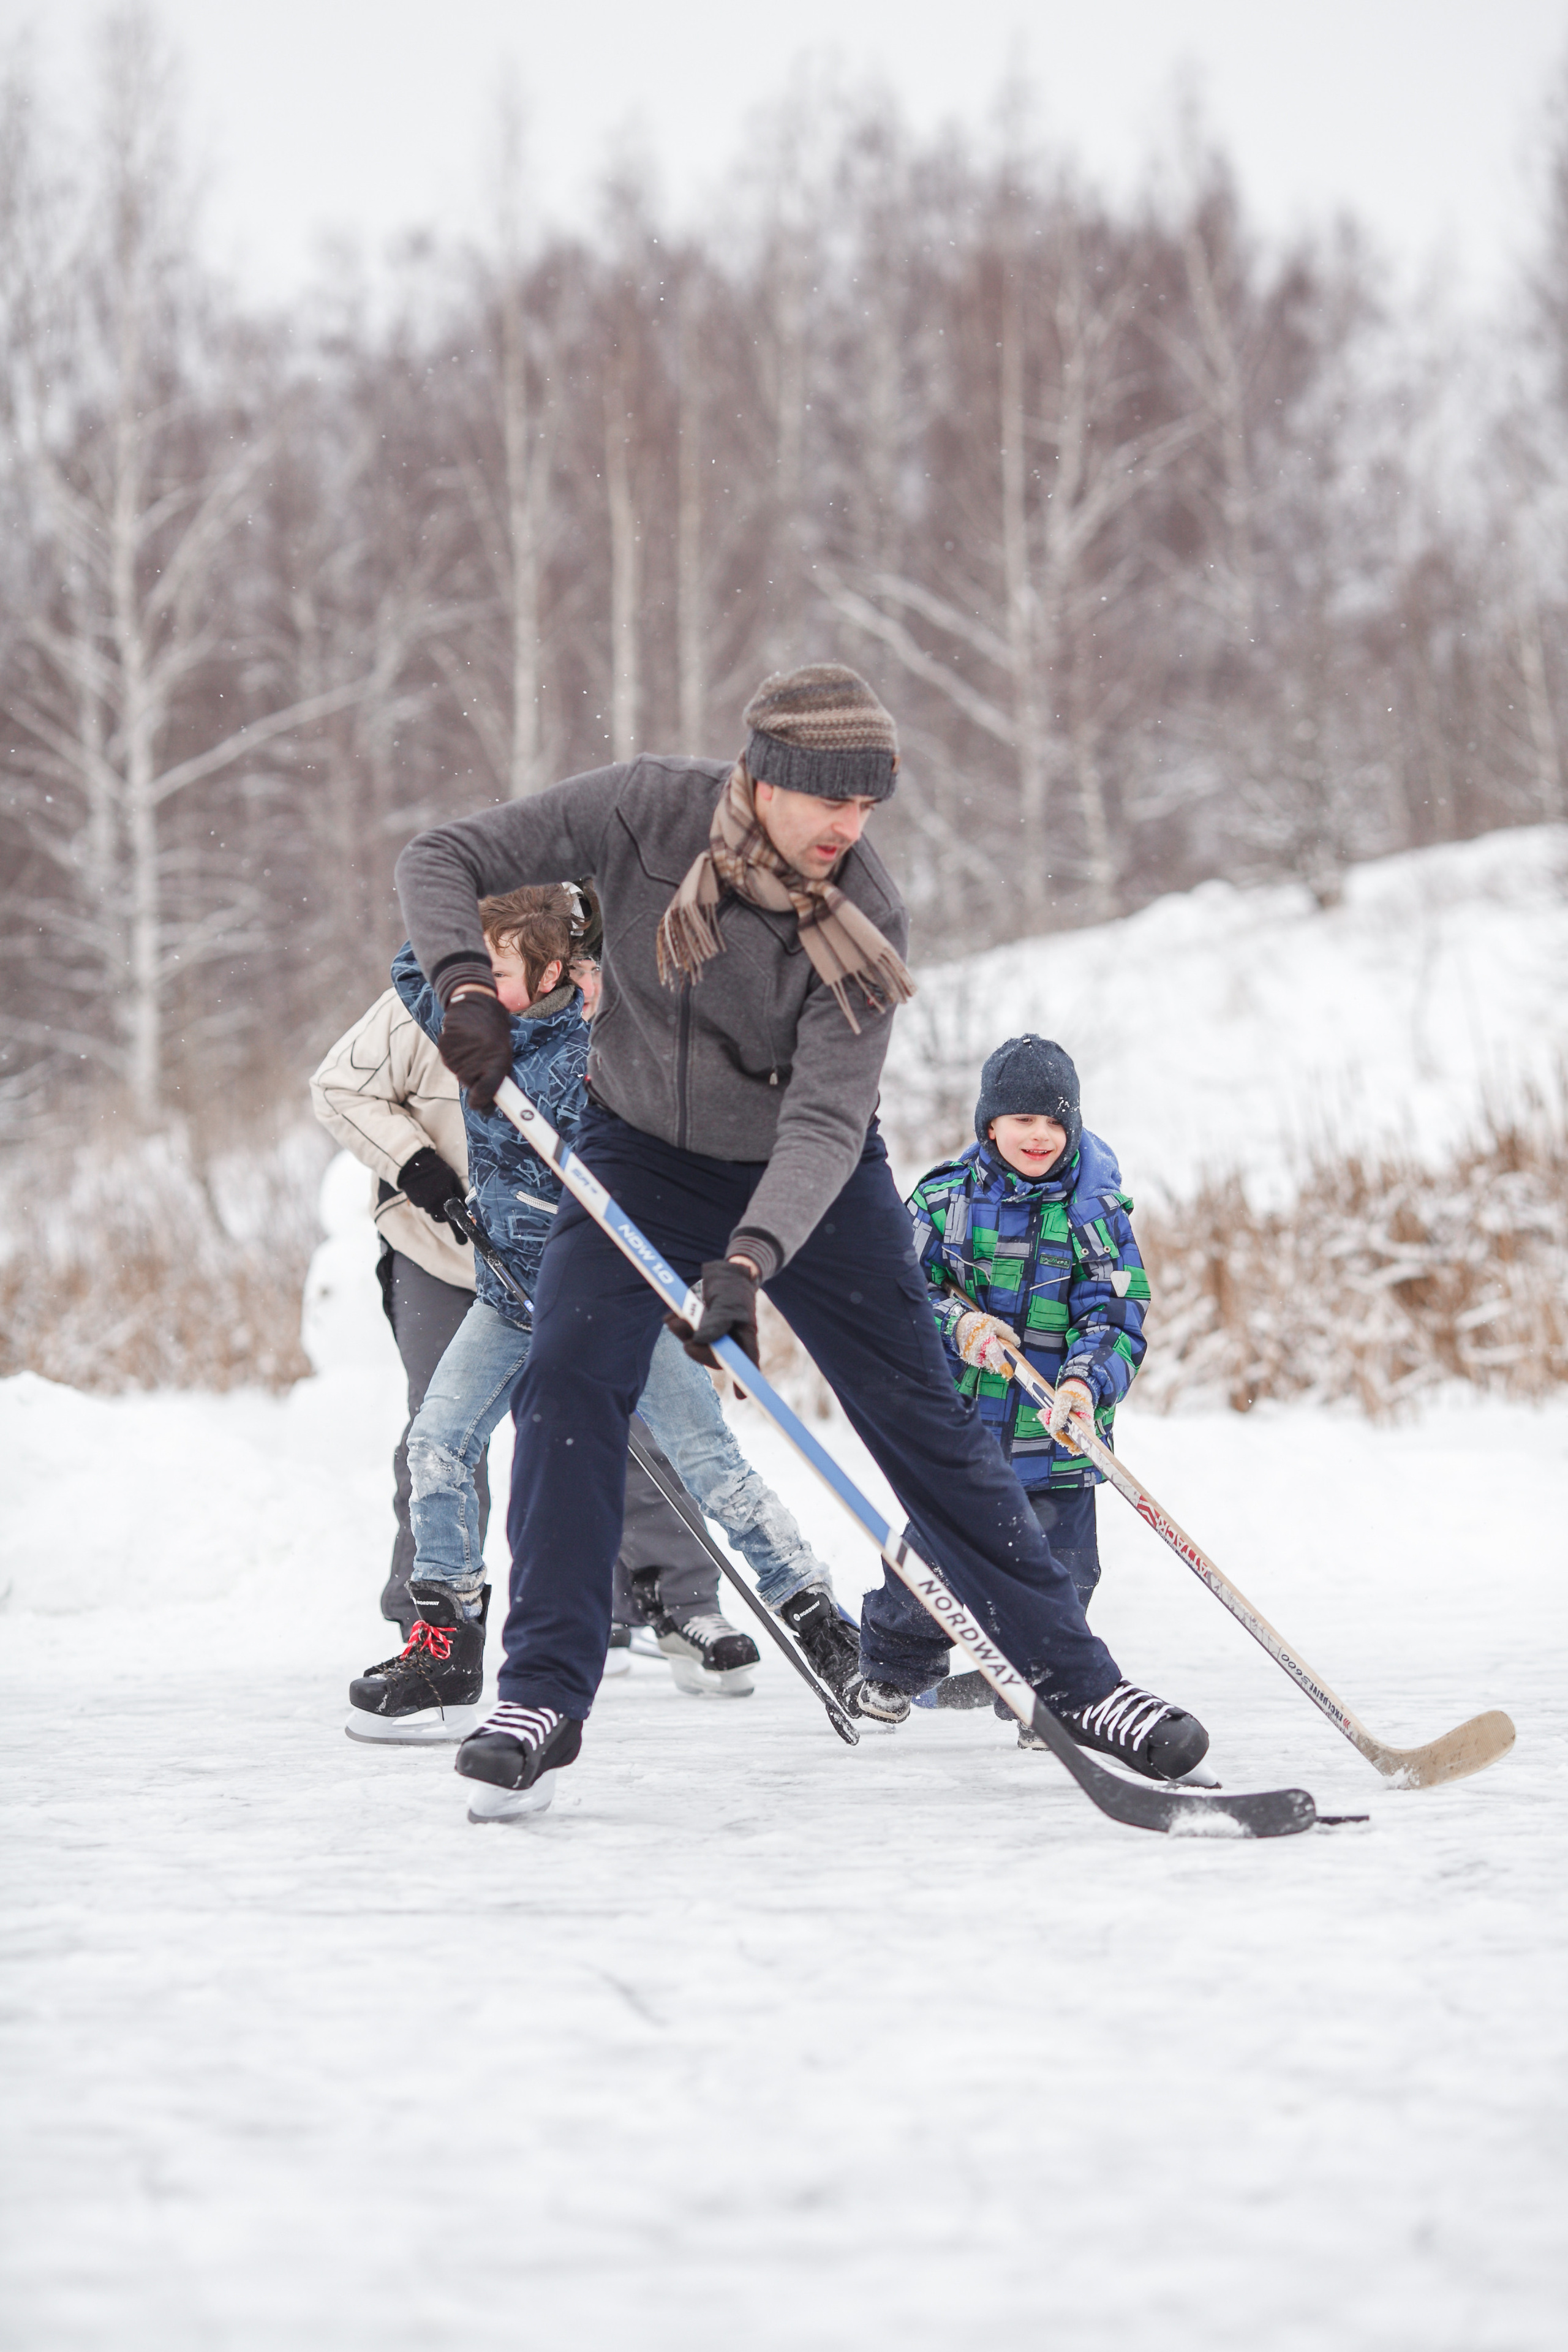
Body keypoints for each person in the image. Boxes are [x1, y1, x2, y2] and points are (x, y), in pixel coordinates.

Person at [394, 659, 1208, 1819]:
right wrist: (467, 985)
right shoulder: (643, 810)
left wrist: (750, 1262)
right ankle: (542, 1695)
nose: (849, 826)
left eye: (869, 804)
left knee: (923, 1416)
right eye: (831, 799)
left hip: (809, 1177)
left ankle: (1079, 1683)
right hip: (635, 1151)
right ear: (764, 778)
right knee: (569, 1382)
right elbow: (439, 856)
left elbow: (828, 1119)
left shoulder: (862, 911)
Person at [347, 883, 854, 1743]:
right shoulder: (476, 1023)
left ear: (551, 970)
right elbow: (414, 966)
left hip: (611, 1299)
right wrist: (498, 914)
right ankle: (448, 1634)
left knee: (708, 1463)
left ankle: (813, 1611)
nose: (473, 977)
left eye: (497, 965)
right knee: (436, 1440)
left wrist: (602, 969)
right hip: (509, 1294)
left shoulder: (594, 1050)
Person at [858, 1034, 1152, 1746]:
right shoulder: (943, 1200)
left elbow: (1115, 1314)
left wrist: (1084, 1384)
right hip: (961, 1435)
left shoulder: (1096, 1214)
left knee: (1065, 1575)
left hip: (1057, 1439)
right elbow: (900, 1290)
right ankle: (894, 1672)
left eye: (1055, 1122)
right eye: (1023, 1120)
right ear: (989, 1123)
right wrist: (958, 1325)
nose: (1040, 1136)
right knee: (927, 1571)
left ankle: (1049, 1691)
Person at [309, 970, 488, 1637]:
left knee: (620, 1420)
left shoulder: (591, 993)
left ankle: (664, 1597)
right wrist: (414, 1163)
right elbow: (339, 1087)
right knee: (443, 1430)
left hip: (560, 1251)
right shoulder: (420, 998)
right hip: (432, 1245)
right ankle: (435, 1618)